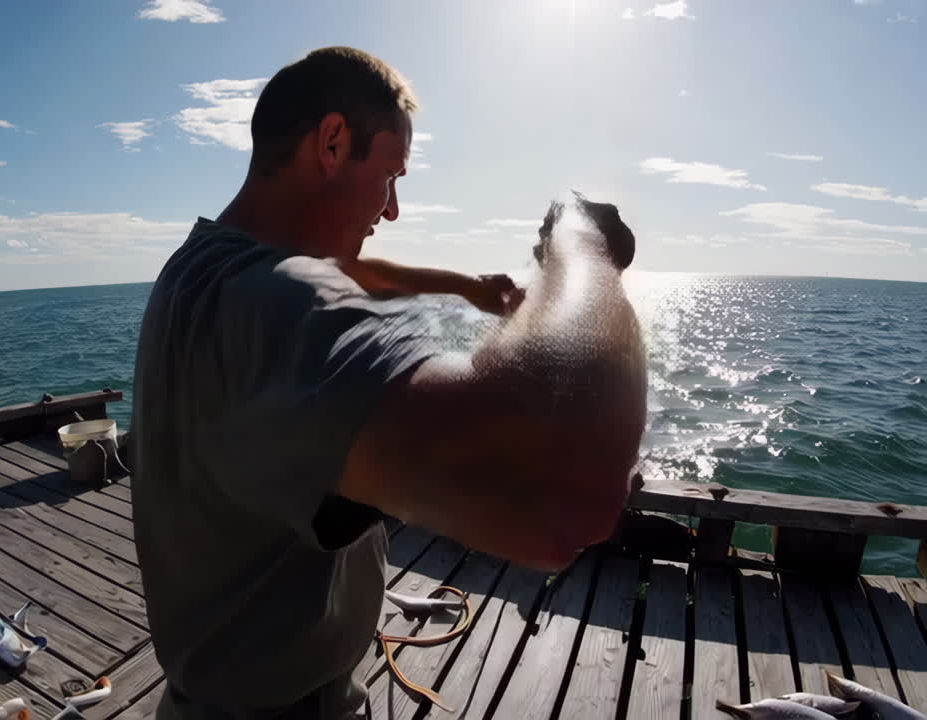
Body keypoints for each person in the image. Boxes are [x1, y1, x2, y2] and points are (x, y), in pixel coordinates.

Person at [131, 46, 646, 720]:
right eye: (391, 175)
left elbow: (368, 284)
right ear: (334, 144)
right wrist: (581, 240)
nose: (393, 209)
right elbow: (558, 499)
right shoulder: (276, 299)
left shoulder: (194, 277)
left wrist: (460, 288)